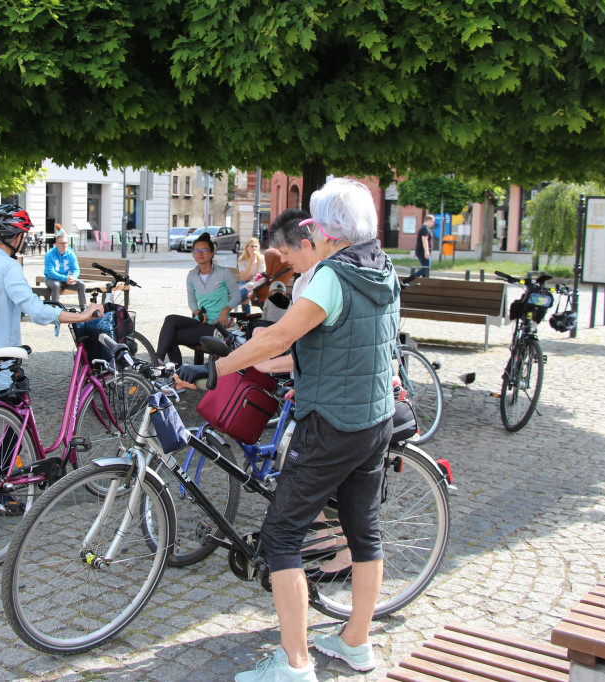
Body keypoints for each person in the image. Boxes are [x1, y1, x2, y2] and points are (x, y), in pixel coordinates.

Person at [215, 179, 400, 681]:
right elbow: (360, 345)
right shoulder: (383, 267)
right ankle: (355, 642)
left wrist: (219, 368)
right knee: (366, 532)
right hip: (373, 420)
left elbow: (279, 335)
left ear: (328, 227)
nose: (312, 228)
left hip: (332, 426)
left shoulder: (332, 277)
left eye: (316, 220)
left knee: (281, 536)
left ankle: (295, 665)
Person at [0, 204, 102, 392]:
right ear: (17, 237)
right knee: (11, 415)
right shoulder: (8, 266)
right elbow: (36, 310)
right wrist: (82, 316)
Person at [155, 233, 239, 365]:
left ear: (211, 254)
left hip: (217, 326)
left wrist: (226, 309)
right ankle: (159, 360)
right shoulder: (192, 275)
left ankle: (172, 371)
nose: (200, 253)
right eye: (197, 250)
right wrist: (197, 312)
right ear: (193, 254)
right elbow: (192, 301)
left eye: (204, 250)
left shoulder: (223, 273)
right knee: (170, 319)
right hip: (201, 322)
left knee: (170, 336)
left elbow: (236, 295)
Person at [43, 233, 86, 307]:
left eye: (66, 243)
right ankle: (55, 309)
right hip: (51, 279)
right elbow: (50, 272)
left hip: (66, 280)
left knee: (81, 284)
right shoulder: (49, 254)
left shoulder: (71, 254)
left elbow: (76, 269)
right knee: (56, 285)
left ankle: (83, 308)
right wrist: (65, 278)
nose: (64, 245)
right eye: (62, 243)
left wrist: (73, 277)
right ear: (56, 244)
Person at [237, 238, 266, 314]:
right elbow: (244, 278)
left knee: (245, 290)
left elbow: (259, 276)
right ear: (247, 248)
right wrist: (251, 263)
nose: (254, 248)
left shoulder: (261, 259)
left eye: (256, 246)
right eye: (252, 246)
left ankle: (244, 318)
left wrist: (246, 285)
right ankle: (247, 318)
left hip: (257, 283)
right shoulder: (242, 259)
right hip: (245, 282)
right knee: (245, 295)